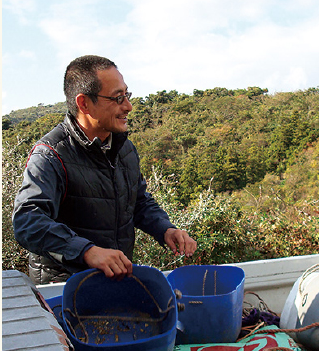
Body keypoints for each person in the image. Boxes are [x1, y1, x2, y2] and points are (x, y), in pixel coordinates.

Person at [13, 55, 197, 284]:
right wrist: (87, 251)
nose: (128, 107)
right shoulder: (50, 155)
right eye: (117, 98)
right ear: (84, 103)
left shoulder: (124, 148)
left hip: (113, 282)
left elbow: (138, 201)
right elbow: (27, 221)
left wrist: (165, 229)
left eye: (127, 95)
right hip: (64, 290)